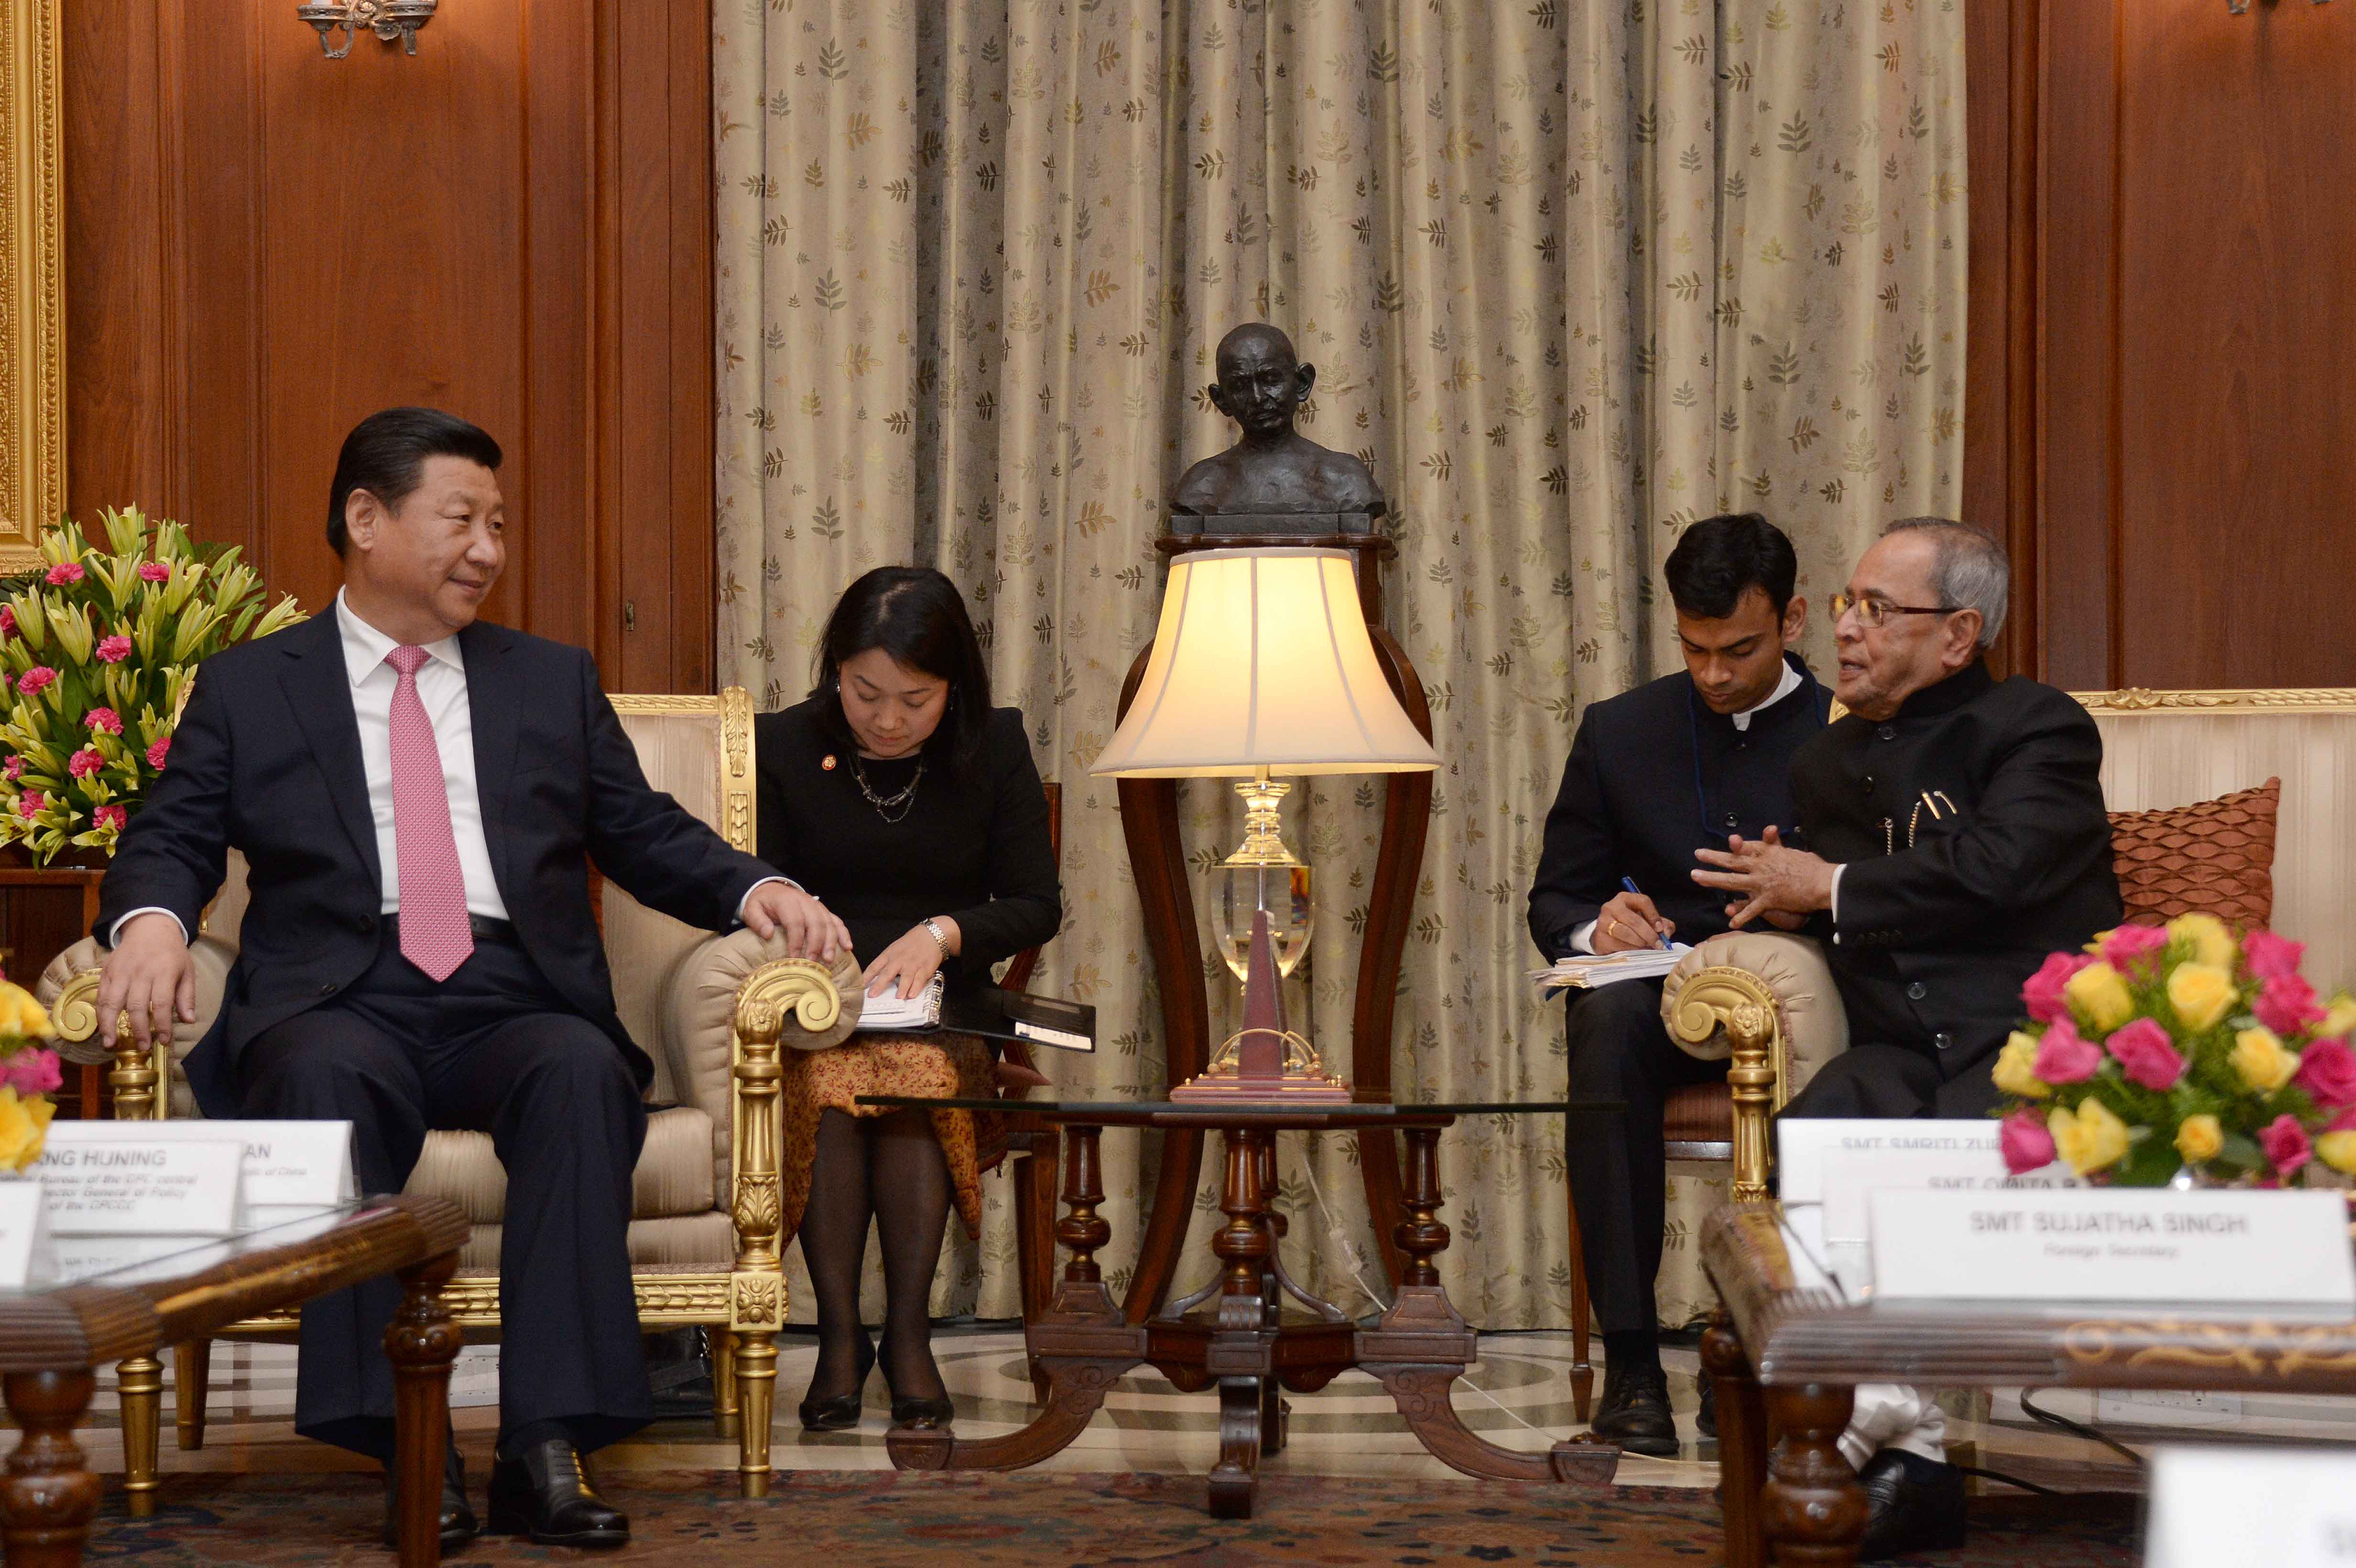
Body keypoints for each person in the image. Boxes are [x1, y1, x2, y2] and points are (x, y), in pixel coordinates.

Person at [91, 407, 847, 1553]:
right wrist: (148, 923)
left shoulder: (547, 680)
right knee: (322, 1079)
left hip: (512, 990)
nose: (489, 548)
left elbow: (641, 831)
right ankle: (409, 1440)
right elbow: (173, 834)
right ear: (365, 518)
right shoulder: (251, 686)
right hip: (339, 994)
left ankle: (545, 1443)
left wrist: (756, 890)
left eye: (498, 523)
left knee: (584, 1073)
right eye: (461, 519)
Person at [1691, 517, 2122, 1560]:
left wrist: (1830, 886)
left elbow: (1996, 869)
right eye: (1847, 603)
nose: (1846, 627)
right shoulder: (1824, 763)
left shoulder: (2038, 728)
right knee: (1798, 1152)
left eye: (1878, 610)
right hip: (1899, 1042)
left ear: (1958, 633)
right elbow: (1870, 910)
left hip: (2026, 1034)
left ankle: (1877, 1437)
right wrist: (1798, 906)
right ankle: (1911, 1457)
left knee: (1945, 1170)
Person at [1527, 513, 1830, 1457]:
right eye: (1693, 649)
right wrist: (1596, 925)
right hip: (1663, 990)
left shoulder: (1849, 730)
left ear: (1792, 620)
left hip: (1805, 984)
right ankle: (1630, 1367)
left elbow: (1888, 886)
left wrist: (1806, 904)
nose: (1712, 674)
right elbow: (1558, 895)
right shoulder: (1621, 731)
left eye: (1737, 648)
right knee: (1603, 1019)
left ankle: (1773, 1350)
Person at [754, 567, 1060, 1432]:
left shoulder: (993, 745)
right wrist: (806, 931)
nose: (888, 721)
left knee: (913, 1079)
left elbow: (1037, 903)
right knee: (828, 1085)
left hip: (948, 1006)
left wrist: (943, 935)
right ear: (834, 673)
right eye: (865, 694)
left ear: (952, 687)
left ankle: (913, 1335)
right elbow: (754, 886)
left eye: (915, 701)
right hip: (818, 1003)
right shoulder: (780, 745)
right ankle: (843, 1339)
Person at [1169, 322, 1385, 528]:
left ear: (1302, 383)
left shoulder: (1347, 481)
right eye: (1240, 386)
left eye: (1271, 380)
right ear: (1221, 399)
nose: (1257, 398)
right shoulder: (1201, 486)